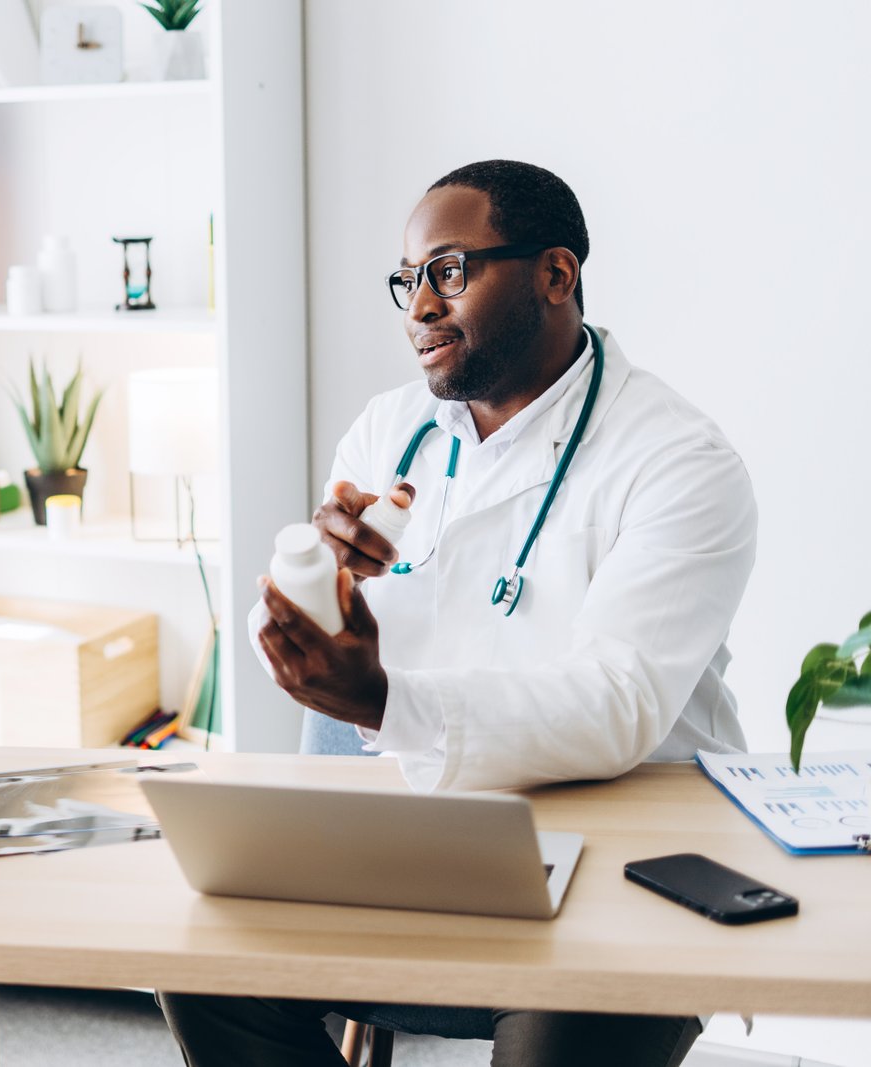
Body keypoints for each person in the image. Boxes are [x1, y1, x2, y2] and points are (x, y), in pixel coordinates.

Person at [158, 161, 757, 1065]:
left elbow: (617, 706)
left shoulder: (679, 460)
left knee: (560, 1023)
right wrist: (314, 589)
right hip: (412, 842)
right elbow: (303, 635)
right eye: (408, 280)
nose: (419, 307)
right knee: (204, 958)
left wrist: (380, 700)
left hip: (620, 854)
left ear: (556, 274)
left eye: (448, 270)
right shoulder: (388, 429)